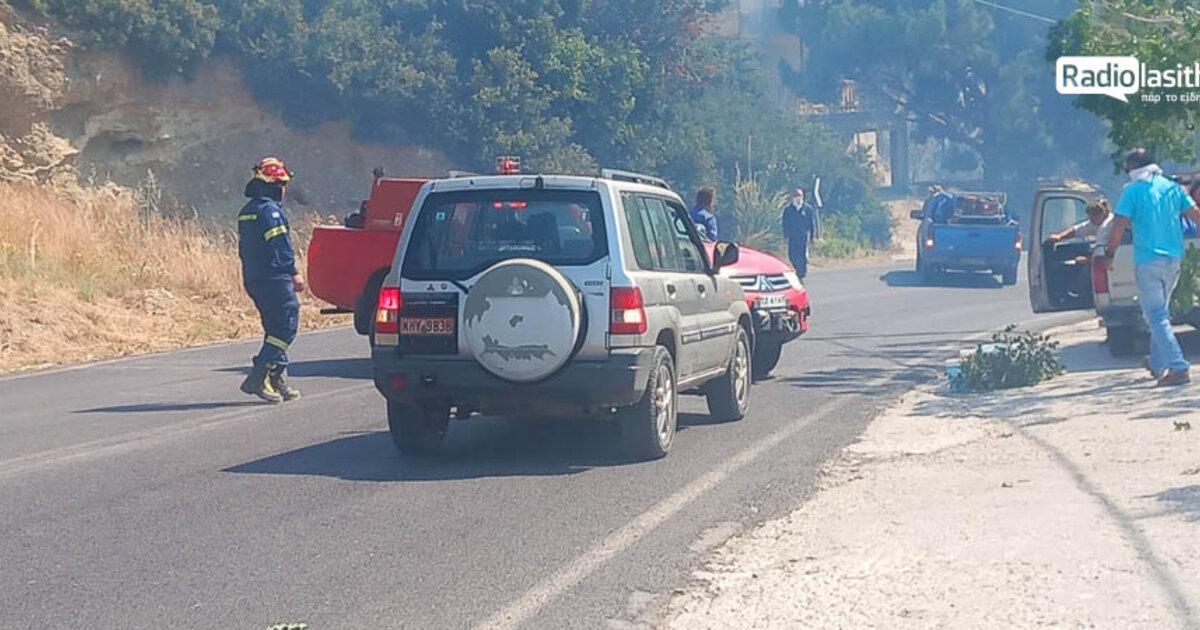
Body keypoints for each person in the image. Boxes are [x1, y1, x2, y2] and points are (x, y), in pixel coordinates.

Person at [1102, 148, 1200, 387]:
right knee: (1160, 313)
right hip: (1174, 259)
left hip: (1148, 261)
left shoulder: (1132, 191)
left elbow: (1118, 227)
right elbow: (1196, 215)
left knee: (1155, 316)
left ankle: (1178, 367)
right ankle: (1157, 364)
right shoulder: (1173, 188)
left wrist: (1109, 254)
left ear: (1133, 167)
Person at [238, 157, 305, 403]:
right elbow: (280, 246)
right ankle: (258, 376)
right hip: (275, 278)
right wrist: (293, 272)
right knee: (285, 326)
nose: (284, 189)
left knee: (274, 328)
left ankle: (276, 377)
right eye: (282, 184)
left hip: (254, 278)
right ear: (273, 185)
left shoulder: (247, 212)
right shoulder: (271, 212)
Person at [782, 187, 818, 278]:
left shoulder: (808, 209)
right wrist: (785, 236)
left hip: (803, 236)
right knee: (792, 255)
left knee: (803, 255)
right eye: (796, 196)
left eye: (800, 196)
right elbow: (785, 224)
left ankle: (802, 271)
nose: (798, 198)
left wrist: (812, 237)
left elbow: (812, 223)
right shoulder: (788, 210)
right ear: (792, 197)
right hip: (792, 237)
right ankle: (797, 267)